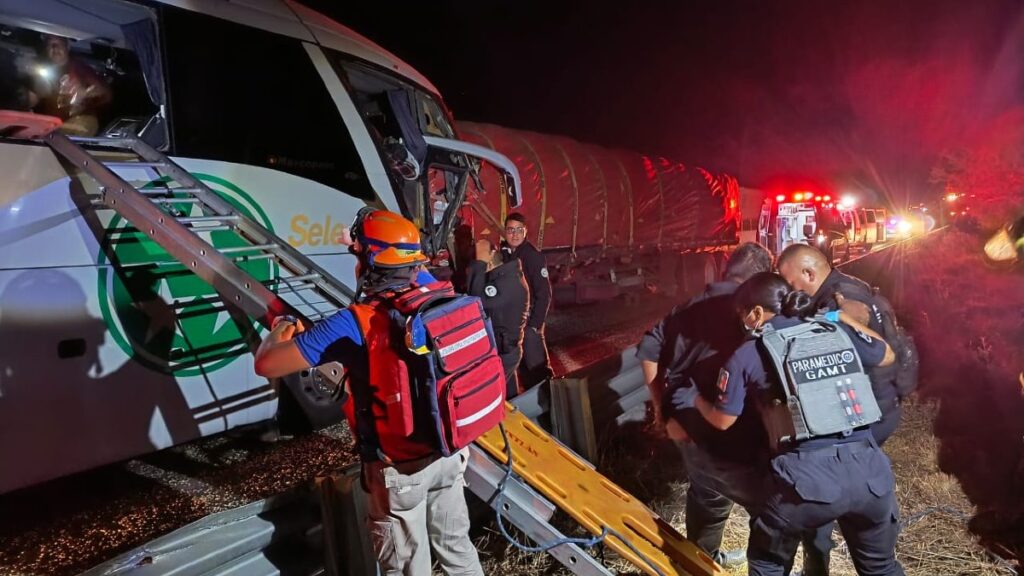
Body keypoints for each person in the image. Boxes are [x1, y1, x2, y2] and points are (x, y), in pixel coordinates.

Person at [254, 209, 483, 576]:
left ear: (369, 262)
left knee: (408, 568)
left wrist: (280, 327)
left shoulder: (354, 323)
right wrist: (364, 247)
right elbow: (398, 261)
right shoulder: (435, 296)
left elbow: (267, 365)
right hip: (449, 452)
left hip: (399, 470)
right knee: (457, 549)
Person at [694, 272, 904, 576]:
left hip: (807, 481)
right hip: (871, 473)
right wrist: (841, 318)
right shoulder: (834, 330)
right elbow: (886, 354)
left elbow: (723, 420)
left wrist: (695, 399)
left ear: (755, 313)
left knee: (768, 564)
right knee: (881, 568)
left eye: (743, 315)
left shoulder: (749, 352)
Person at [637, 242, 774, 567]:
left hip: (690, 431)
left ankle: (701, 563)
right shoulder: (755, 311)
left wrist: (660, 408)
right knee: (769, 509)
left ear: (728, 266)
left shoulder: (688, 305)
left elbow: (647, 351)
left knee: (706, 494)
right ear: (762, 277)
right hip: (735, 435)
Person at [776, 244, 904, 445]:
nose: (789, 293)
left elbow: (877, 354)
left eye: (791, 284)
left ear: (809, 274)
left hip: (869, 411)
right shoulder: (846, 284)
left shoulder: (838, 301)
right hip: (879, 401)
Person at [466, 238, 529, 398]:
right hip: (506, 349)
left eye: (480, 258)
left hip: (505, 353)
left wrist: (479, 263)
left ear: (490, 258)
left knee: (491, 395)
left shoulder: (506, 282)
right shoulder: (506, 275)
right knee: (509, 395)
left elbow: (475, 298)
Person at [501, 212, 553, 389]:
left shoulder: (532, 256)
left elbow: (544, 293)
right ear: (505, 232)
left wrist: (535, 325)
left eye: (518, 230)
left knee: (538, 371)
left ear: (525, 231)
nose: (514, 234)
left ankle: (550, 408)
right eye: (510, 230)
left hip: (529, 323)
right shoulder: (505, 254)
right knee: (523, 370)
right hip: (515, 324)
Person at [33, 35, 112, 136]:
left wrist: (84, 92)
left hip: (79, 123)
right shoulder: (41, 69)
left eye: (59, 44)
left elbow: (105, 92)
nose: (55, 48)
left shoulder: (80, 68)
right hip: (52, 127)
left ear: (67, 47)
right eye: (50, 45)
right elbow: (34, 97)